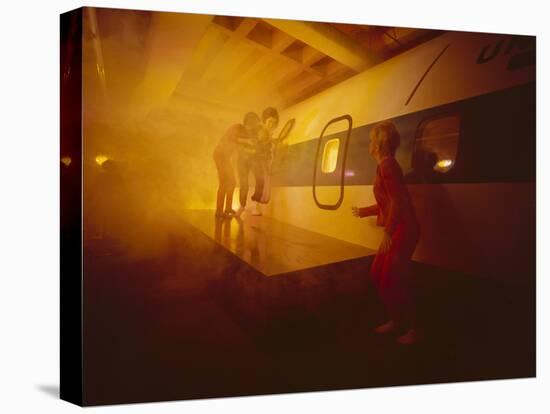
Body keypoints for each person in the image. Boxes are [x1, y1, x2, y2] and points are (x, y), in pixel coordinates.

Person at [352, 121, 420, 345]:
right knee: (377, 275)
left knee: (391, 278)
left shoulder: (387, 165)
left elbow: (398, 202)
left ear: (380, 143)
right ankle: (397, 320)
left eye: (373, 139)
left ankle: (412, 327)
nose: (370, 143)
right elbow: (388, 202)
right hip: (399, 227)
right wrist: (363, 212)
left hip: (403, 229)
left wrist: (389, 232)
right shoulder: (385, 165)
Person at [213, 117, 249, 218]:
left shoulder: (244, 134)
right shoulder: (237, 127)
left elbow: (239, 149)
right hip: (220, 156)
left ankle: (228, 208)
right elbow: (233, 138)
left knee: (232, 183)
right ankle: (219, 212)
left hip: (225, 159)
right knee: (224, 184)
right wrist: (246, 142)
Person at [236, 112, 262, 217]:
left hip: (253, 159)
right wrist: (248, 145)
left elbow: (259, 147)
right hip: (242, 161)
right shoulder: (241, 131)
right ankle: (242, 206)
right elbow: (237, 144)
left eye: (254, 123)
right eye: (250, 123)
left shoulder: (257, 132)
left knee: (260, 180)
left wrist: (255, 151)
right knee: (244, 184)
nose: (251, 126)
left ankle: (254, 206)